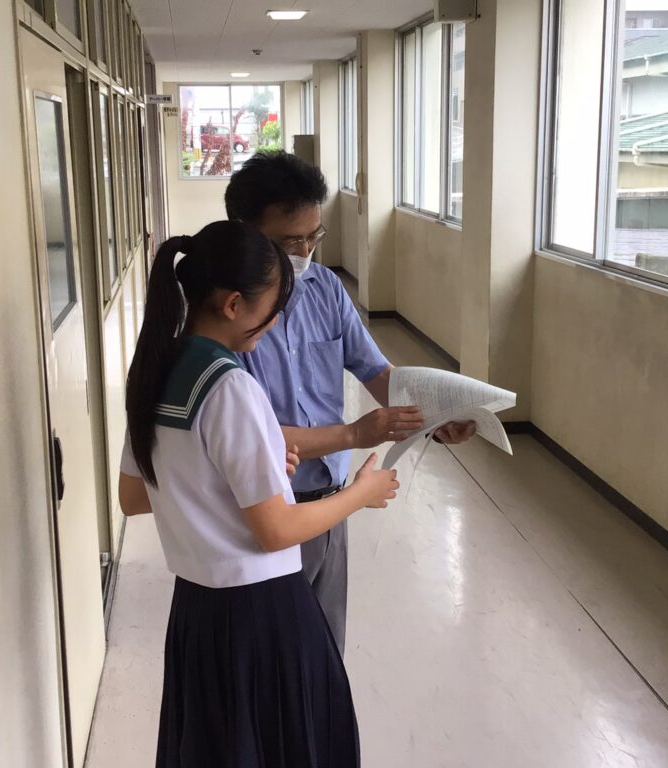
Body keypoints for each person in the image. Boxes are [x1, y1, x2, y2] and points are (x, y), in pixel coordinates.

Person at [118, 220, 399, 766]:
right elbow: (276, 531)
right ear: (232, 305)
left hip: (197, 612)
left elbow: (136, 496)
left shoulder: (154, 370)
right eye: (271, 312)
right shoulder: (232, 387)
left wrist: (243, 473)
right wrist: (360, 493)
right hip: (260, 614)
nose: (272, 326)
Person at [226, 151, 477, 653]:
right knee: (274, 656)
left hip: (330, 501)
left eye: (313, 236)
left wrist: (433, 417)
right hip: (265, 511)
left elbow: (375, 371)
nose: (304, 251)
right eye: (289, 241)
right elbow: (250, 437)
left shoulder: (326, 291)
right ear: (245, 234)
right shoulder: (231, 318)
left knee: (325, 647)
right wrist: (356, 434)